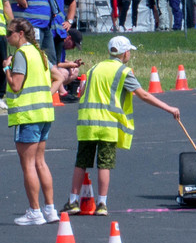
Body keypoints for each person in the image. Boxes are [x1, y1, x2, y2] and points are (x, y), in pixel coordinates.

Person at [63, 35, 180, 217]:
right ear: (125, 53)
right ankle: (102, 204)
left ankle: (73, 201)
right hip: (107, 124)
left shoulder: (95, 68)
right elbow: (143, 95)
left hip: (87, 123)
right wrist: (169, 108)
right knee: (104, 164)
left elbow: (83, 90)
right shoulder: (123, 72)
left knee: (81, 162)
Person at [6, 19, 60, 226]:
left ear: (20, 33)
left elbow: (16, 85)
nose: (7, 37)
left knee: (28, 164)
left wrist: (6, 69)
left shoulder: (21, 54)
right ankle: (50, 209)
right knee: (40, 162)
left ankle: (35, 211)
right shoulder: (40, 53)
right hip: (44, 113)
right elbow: (59, 77)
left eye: (9, 33)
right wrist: (46, 95)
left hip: (27, 115)